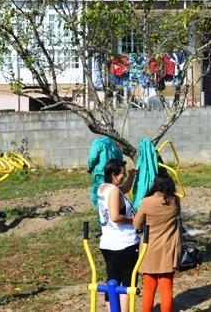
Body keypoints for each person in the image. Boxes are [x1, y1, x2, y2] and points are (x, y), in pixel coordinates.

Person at [133, 170, 181, 312]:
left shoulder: (147, 202)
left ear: (156, 185)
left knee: (149, 286)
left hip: (150, 248)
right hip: (169, 248)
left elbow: (137, 224)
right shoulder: (175, 200)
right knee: (166, 288)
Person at [97, 159, 139, 312]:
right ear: (114, 175)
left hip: (108, 244)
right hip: (124, 244)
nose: (123, 176)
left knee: (112, 283)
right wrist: (133, 219)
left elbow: (124, 189)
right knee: (128, 284)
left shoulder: (103, 188)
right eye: (122, 174)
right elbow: (115, 216)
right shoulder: (114, 191)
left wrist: (131, 176)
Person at [87, 126, 124, 209]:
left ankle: (102, 214)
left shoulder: (99, 142)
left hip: (100, 174)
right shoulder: (115, 144)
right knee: (111, 194)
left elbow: (92, 158)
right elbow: (120, 159)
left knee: (98, 197)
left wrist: (89, 167)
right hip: (113, 175)